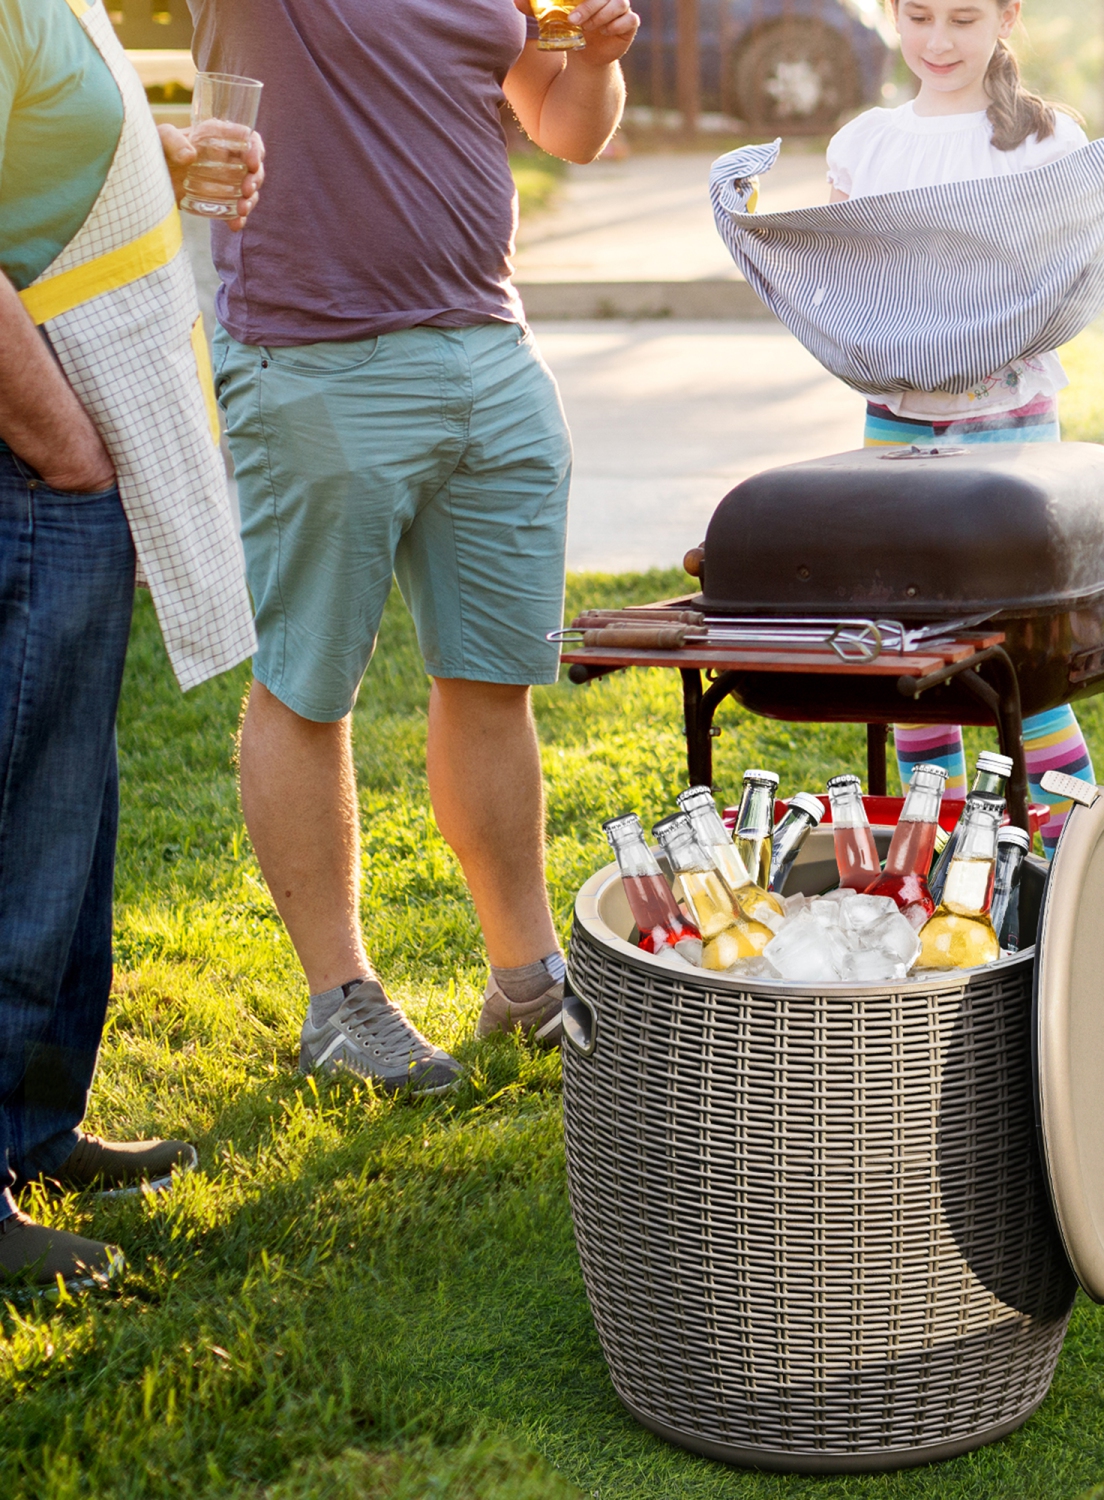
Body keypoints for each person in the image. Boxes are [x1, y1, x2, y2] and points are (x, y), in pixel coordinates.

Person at [191, 0, 638, 1092]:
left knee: (494, 677)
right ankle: (341, 1003)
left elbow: (566, 125)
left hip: (488, 346)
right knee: (308, 682)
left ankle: (526, 979)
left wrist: (595, 59)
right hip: (313, 355)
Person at [0, 0, 263, 1286]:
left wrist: (155, 150)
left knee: (68, 805)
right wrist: (61, 441)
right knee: (14, 819)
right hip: (31, 453)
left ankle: (33, 1125)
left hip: (60, 450)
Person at [824, 0, 1094, 853]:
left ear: (1007, 17)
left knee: (1028, 667)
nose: (938, 42)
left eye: (964, 19)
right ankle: (939, 860)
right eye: (919, 17)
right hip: (897, 428)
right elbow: (842, 285)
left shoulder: (1051, 139)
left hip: (1009, 428)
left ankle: (1075, 859)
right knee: (915, 665)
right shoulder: (864, 143)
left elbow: (1072, 278)